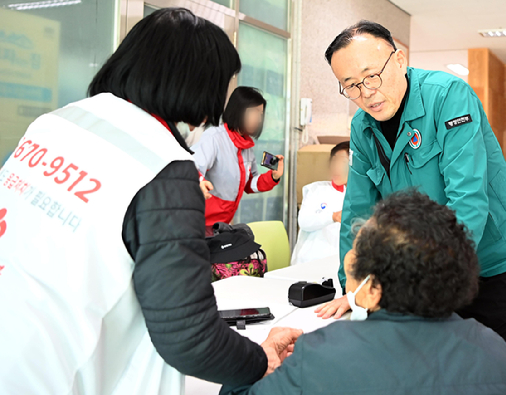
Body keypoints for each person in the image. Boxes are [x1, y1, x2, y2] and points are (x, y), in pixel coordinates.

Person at [0, 9, 300, 395]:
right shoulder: (162, 167)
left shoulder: (57, 122)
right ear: (196, 81)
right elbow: (190, 336)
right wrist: (260, 361)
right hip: (62, 375)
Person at [315, 20, 506, 375]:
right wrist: (353, 285)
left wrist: (425, 285)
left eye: (371, 76)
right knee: (435, 371)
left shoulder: (448, 97)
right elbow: (358, 208)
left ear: (399, 60)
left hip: (496, 258)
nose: (366, 92)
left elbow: (468, 201)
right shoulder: (362, 128)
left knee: (492, 370)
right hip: (431, 264)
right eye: (351, 86)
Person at [221, 191, 506, 395]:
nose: (348, 258)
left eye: (356, 251)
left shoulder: (323, 355)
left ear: (374, 290)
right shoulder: (495, 351)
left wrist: (259, 358)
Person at [192, 87, 284, 233]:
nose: (258, 119)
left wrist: (273, 177)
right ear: (238, 110)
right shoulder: (215, 137)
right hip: (197, 223)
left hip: (220, 225)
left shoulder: (246, 147)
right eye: (254, 113)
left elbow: (249, 185)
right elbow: (192, 168)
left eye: (260, 114)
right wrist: (199, 181)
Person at [291, 141, 349, 265]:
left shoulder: (360, 197)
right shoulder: (316, 189)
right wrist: (332, 216)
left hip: (340, 263)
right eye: (334, 161)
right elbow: (304, 221)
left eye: (343, 162)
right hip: (309, 262)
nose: (336, 167)